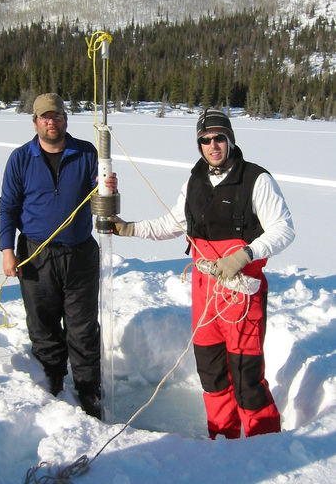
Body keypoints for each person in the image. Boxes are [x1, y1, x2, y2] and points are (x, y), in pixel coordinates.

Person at [113, 108, 295, 439]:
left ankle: (265, 448)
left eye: (219, 138)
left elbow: (284, 229)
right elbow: (171, 224)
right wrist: (129, 229)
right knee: (211, 373)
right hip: (204, 293)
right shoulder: (195, 180)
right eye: (205, 140)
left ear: (230, 139)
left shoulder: (256, 180)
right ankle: (222, 441)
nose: (213, 145)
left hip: (241, 295)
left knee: (246, 378)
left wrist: (245, 254)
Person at [0, 93, 117, 419]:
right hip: (35, 255)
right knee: (43, 322)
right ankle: (51, 379)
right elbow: (8, 207)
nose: (52, 122)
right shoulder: (21, 158)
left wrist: (109, 188)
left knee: (82, 327)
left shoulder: (86, 153)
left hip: (80, 255)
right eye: (45, 117)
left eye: (57, 116)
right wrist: (7, 250)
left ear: (65, 118)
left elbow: (100, 195)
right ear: (35, 121)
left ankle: (88, 388)